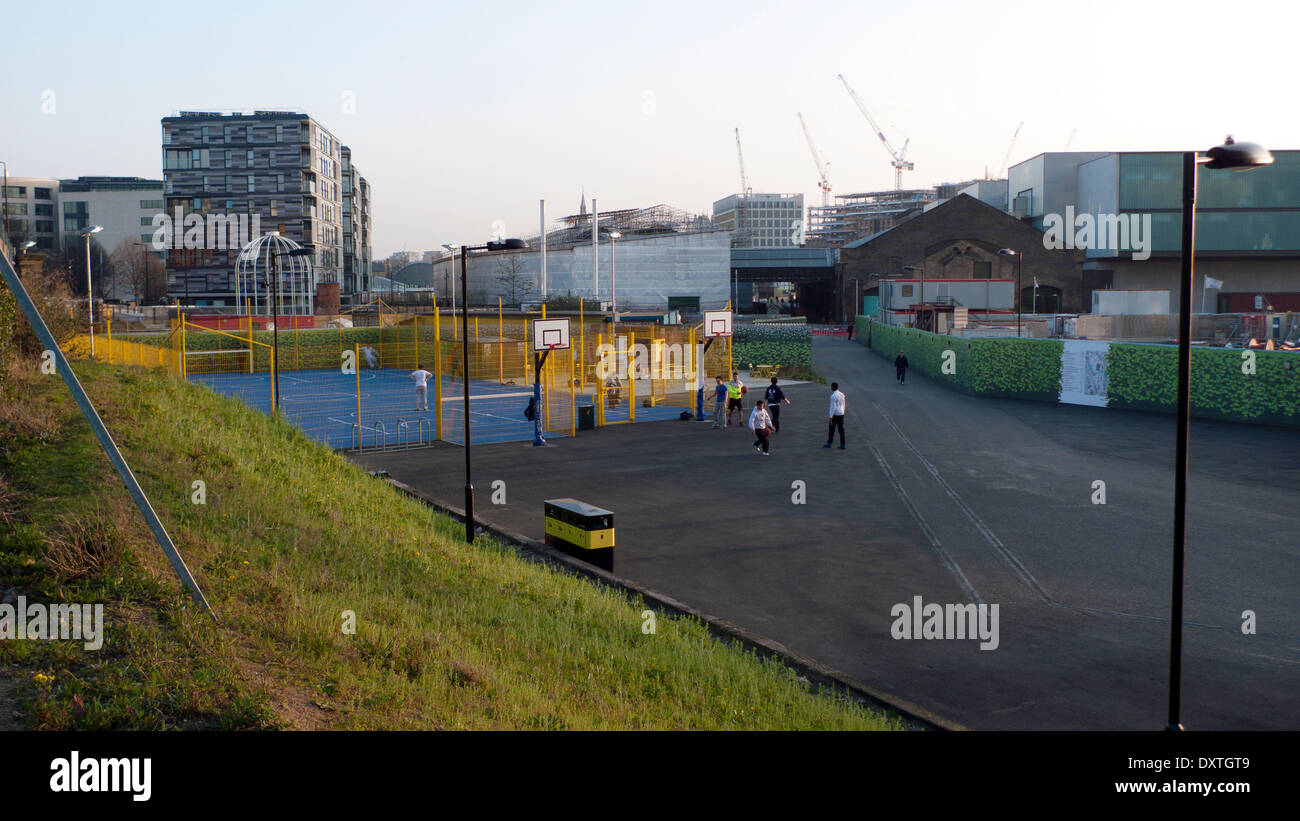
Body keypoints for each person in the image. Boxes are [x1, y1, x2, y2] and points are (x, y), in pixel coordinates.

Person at [824, 381, 846, 450]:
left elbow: (833, 407)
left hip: (835, 415)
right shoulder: (842, 394)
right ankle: (843, 445)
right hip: (841, 414)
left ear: (832, 388)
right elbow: (844, 404)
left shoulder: (833, 396)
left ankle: (829, 443)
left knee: (831, 430)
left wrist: (830, 417)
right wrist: (843, 412)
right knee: (841, 430)